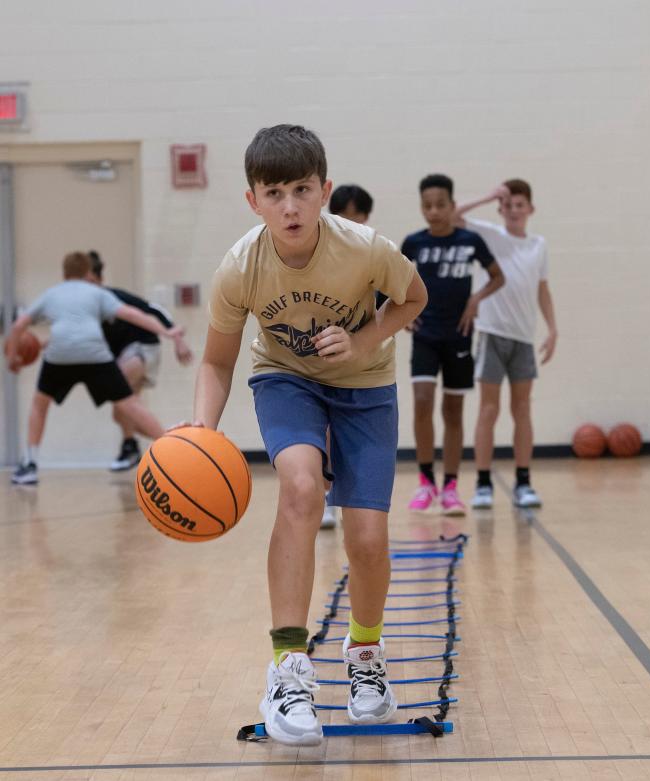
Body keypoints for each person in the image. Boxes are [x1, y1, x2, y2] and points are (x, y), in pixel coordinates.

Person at [188, 125, 426, 744]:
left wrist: (365, 338)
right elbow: (217, 361)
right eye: (274, 193)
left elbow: (414, 298)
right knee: (300, 488)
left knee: (368, 538)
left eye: (301, 189)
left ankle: (365, 655)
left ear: (323, 190)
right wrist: (200, 434)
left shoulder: (367, 248)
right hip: (286, 378)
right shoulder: (241, 266)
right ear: (254, 201)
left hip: (365, 385)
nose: (289, 206)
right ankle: (289, 667)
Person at [4, 251, 182, 484]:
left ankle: (29, 465)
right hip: (94, 353)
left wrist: (11, 359)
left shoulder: (52, 294)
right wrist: (167, 332)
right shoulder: (96, 292)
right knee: (128, 403)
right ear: (88, 272)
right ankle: (175, 455)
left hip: (60, 354)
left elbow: (18, 326)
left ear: (64, 273)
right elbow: (132, 314)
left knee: (40, 404)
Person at [403, 174, 503, 515]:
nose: (433, 211)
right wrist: (402, 316)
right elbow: (390, 283)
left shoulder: (470, 240)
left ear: (452, 205)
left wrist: (475, 301)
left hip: (459, 335)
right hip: (426, 336)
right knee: (421, 400)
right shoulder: (413, 243)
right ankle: (425, 481)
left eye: (440, 205)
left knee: (453, 411)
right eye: (427, 205)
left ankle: (450, 487)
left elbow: (498, 276)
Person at [455, 179, 558, 509]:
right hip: (491, 333)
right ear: (502, 209)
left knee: (522, 409)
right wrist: (488, 195)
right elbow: (453, 216)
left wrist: (552, 329)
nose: (514, 210)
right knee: (489, 409)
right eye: (509, 205)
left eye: (520, 205)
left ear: (530, 209)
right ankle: (483, 483)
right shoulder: (489, 234)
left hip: (523, 338)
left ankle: (523, 482)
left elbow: (543, 289)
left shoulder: (538, 245)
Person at [88, 250, 194, 471]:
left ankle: (139, 446)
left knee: (117, 386)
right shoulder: (83, 309)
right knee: (121, 413)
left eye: (89, 282)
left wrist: (175, 337)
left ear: (99, 279)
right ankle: (172, 441)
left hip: (142, 346)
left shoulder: (111, 297)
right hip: (125, 354)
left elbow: (151, 309)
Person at [319, 184, 375, 528]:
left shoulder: (373, 252)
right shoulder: (319, 251)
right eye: (342, 216)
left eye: (356, 217)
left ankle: (354, 499)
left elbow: (389, 304)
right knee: (322, 425)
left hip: (360, 358)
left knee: (351, 431)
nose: (349, 223)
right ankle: (326, 497)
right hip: (323, 349)